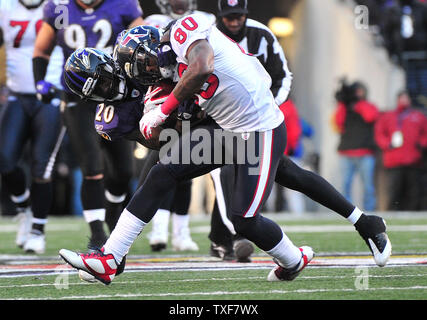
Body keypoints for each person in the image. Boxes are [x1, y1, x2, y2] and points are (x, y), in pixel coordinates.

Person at [59, 19, 392, 285]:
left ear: (152, 48)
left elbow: (201, 67)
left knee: (246, 218)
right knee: (164, 169)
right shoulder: (143, 90)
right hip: (224, 127)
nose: (144, 76)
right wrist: (163, 122)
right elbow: (171, 131)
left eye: (143, 66)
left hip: (258, 128)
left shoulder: (181, 32)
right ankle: (111, 257)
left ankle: (327, 242)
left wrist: (164, 110)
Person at [32, 0, 144, 248]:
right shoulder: (59, 8)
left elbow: (142, 40)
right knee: (92, 167)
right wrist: (39, 81)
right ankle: (96, 234)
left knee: (124, 171)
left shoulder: (122, 4)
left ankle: (114, 211)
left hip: (114, 95)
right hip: (78, 97)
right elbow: (41, 50)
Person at [208, 0, 293, 262]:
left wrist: (267, 107)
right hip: (218, 119)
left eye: (238, 16)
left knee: (269, 174)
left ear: (246, 14)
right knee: (222, 171)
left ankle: (221, 236)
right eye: (228, 17)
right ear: (219, 16)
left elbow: (283, 76)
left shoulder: (261, 35)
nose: (234, 22)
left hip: (260, 122)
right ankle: (235, 236)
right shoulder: (207, 36)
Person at [139, 0, 216, 252]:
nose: (179, 3)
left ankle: (181, 232)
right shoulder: (152, 22)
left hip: (193, 99)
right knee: (163, 162)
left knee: (186, 169)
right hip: (165, 98)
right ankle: (159, 229)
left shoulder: (203, 20)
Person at [0, 0, 64, 253]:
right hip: (17, 94)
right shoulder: (5, 7)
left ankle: (38, 230)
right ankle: (24, 207)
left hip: (51, 95)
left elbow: (72, 43)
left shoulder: (59, 7)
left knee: (41, 164)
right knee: (5, 160)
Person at [374, 90, 427, 210]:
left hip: (413, 160)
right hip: (394, 160)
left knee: (413, 190)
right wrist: (388, 144)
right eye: (401, 98)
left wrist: (421, 144)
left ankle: (412, 213)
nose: (404, 101)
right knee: (393, 190)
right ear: (397, 100)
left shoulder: (418, 116)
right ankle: (392, 213)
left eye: (405, 98)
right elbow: (379, 134)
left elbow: (425, 133)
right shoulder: (388, 116)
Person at [333, 80, 379, 211]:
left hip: (365, 153)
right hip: (346, 153)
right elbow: (338, 122)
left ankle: (369, 211)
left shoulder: (368, 105)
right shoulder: (344, 108)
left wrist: (358, 104)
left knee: (368, 186)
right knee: (345, 185)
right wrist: (343, 104)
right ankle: (347, 212)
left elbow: (370, 116)